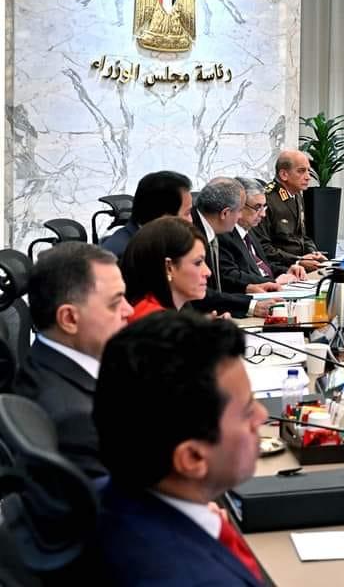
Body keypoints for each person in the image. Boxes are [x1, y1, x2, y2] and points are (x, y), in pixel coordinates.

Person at [93, 312, 268, 586]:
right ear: (193, 458)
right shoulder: (201, 579)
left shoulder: (103, 495)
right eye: (247, 412)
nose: (263, 416)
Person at [13, 243, 133, 478]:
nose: (129, 310)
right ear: (69, 318)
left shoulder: (43, 361)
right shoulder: (76, 419)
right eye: (115, 303)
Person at [190, 178, 275, 318]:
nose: (240, 216)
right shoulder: (192, 235)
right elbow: (199, 293)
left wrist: (247, 288)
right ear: (225, 213)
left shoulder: (209, 229)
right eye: (240, 210)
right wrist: (250, 305)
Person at [218, 177, 308, 294]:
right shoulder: (223, 235)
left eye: (264, 207)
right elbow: (231, 276)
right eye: (257, 207)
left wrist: (286, 271)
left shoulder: (250, 231)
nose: (263, 214)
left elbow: (262, 266)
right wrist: (273, 281)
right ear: (239, 206)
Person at [122, 217, 211, 321]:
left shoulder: (160, 314)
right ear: (169, 267)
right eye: (198, 263)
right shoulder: (154, 320)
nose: (208, 272)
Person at [252, 150, 327, 271]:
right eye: (301, 171)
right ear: (284, 174)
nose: (308, 177)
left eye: (308, 171)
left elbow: (302, 236)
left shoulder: (296, 195)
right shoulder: (266, 199)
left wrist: (313, 253)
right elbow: (263, 247)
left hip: (301, 265)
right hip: (282, 268)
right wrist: (297, 260)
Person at [101, 170, 193, 259]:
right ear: (165, 219)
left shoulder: (160, 240)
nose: (191, 220)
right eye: (187, 213)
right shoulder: (123, 258)